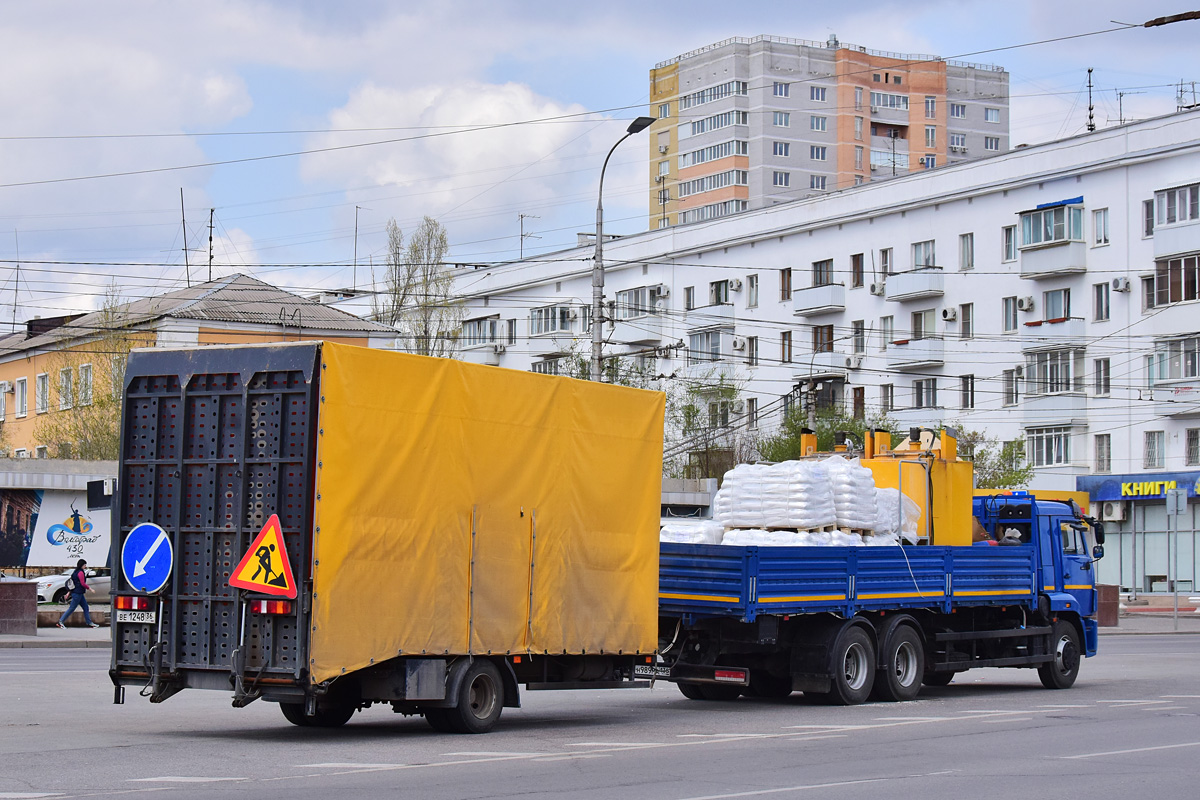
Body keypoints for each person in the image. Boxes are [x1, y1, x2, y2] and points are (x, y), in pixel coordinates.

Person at [56, 559, 100, 629]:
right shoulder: (80, 573)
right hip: (78, 593)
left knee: (85, 607)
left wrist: (68, 593)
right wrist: (90, 589)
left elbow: (72, 584)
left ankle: (89, 622)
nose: (85, 566)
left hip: (77, 593)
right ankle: (61, 622)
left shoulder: (75, 572)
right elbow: (82, 583)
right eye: (85, 565)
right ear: (82, 565)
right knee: (72, 608)